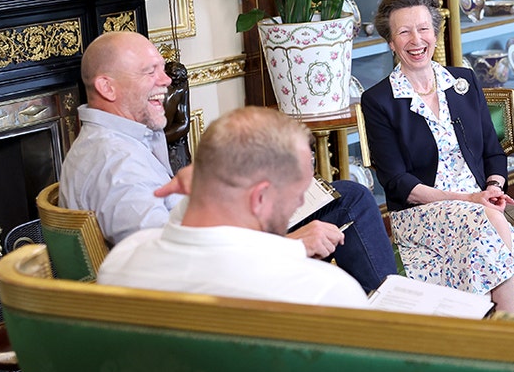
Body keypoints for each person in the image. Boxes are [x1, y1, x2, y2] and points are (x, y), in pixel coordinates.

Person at [58, 31, 398, 293]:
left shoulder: (112, 143)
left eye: (163, 69)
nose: (165, 81)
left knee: (344, 194)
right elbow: (176, 267)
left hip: (214, 243)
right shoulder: (118, 167)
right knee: (350, 203)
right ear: (107, 87)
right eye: (151, 72)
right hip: (214, 281)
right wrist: (290, 245)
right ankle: (396, 323)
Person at [360, 0, 514, 315]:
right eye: (404, 32)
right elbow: (397, 183)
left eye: (423, 29)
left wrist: (492, 188)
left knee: (508, 236)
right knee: (487, 222)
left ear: (435, 33)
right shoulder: (379, 100)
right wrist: (470, 200)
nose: (416, 40)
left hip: (480, 209)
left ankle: (497, 329)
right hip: (422, 215)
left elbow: (493, 151)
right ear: (391, 42)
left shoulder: (463, 82)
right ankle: (511, 323)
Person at [98, 106, 370, 308]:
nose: (300, 202)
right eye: (298, 193)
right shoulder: (325, 291)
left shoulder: (121, 262)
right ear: (260, 197)